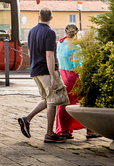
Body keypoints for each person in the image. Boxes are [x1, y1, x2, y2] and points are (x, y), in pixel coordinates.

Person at [18, 8, 69, 143]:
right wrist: (53, 76)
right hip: (46, 70)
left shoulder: (32, 31)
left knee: (47, 99)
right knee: (53, 101)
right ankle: (49, 133)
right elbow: (49, 54)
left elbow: (29, 52)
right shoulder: (50, 33)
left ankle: (26, 119)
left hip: (35, 70)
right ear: (51, 18)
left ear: (38, 16)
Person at [55, 24, 99, 139]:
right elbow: (77, 65)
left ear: (65, 31)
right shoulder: (76, 46)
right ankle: (90, 130)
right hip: (73, 76)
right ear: (77, 32)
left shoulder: (60, 43)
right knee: (83, 101)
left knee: (64, 103)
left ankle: (64, 130)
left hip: (62, 74)